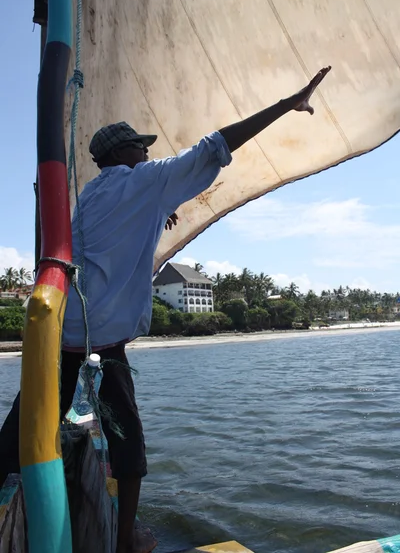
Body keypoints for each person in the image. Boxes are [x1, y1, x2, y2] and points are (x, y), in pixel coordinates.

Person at [0, 66, 331, 553]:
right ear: (120, 154)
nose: (148, 152)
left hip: (56, 337)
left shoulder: (94, 194)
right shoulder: (144, 183)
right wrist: (287, 104)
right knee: (127, 442)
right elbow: (215, 146)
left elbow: (118, 227)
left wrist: (159, 207)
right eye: (140, 146)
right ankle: (128, 538)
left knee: (21, 429)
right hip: (100, 342)